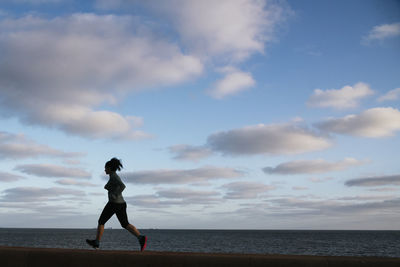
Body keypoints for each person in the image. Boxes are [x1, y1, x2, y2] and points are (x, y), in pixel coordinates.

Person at [86, 157, 147, 251]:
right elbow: (115, 186)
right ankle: (141, 238)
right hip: (121, 204)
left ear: (110, 168)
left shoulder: (114, 176)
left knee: (101, 221)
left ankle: (96, 243)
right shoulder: (113, 176)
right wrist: (110, 188)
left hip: (114, 203)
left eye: (105, 168)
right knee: (125, 224)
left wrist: (115, 194)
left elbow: (123, 186)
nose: (104, 169)